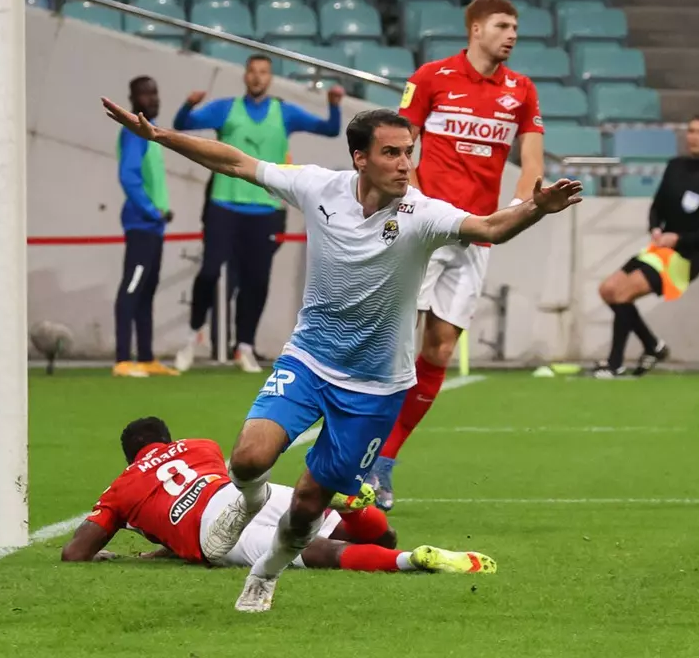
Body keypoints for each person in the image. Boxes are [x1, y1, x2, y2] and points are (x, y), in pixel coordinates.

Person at [100, 96, 580, 612]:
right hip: (309, 360)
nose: (405, 164)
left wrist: (536, 208)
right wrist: (159, 136)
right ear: (360, 158)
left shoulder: (422, 213)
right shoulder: (318, 187)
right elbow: (235, 162)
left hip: (377, 389)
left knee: (309, 505)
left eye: (409, 152)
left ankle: (265, 573)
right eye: (392, 153)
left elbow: (489, 228)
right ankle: (250, 501)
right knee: (247, 459)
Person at [368, 0, 545, 511]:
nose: (512, 34)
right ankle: (353, 450)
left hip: (478, 233)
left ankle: (384, 461)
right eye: (502, 25)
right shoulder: (431, 78)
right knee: (393, 344)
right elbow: (400, 150)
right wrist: (419, 205)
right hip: (425, 228)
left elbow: (532, 161)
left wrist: (517, 209)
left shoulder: (521, 90)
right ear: (475, 28)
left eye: (515, 26)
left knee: (439, 351)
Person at [61, 416, 496, 576]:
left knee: (315, 552)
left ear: (130, 458)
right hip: (245, 493)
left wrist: (104, 548)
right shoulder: (199, 446)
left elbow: (75, 553)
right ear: (168, 439)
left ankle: (411, 561)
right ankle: (352, 509)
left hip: (215, 529)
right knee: (376, 536)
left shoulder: (122, 488)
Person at [172, 55, 344, 374]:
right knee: (209, 272)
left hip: (265, 209)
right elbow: (182, 125)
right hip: (224, 204)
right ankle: (192, 335)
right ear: (245, 76)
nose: (257, 77)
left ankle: (245, 346)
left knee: (256, 281)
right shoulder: (226, 109)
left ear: (271, 77)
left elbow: (331, 129)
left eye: (263, 72)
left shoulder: (285, 112)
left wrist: (333, 105)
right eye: (252, 71)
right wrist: (188, 104)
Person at [594, 115, 699, 378]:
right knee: (608, 289)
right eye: (691, 131)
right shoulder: (675, 166)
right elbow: (657, 206)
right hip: (660, 250)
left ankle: (615, 364)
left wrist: (678, 239)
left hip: (685, 258)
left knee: (622, 293)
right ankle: (653, 346)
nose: (694, 137)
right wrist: (655, 227)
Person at [113, 76, 179, 378]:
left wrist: (161, 213)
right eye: (145, 94)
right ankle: (122, 359)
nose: (152, 99)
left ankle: (146, 357)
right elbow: (128, 177)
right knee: (132, 287)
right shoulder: (134, 131)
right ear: (132, 98)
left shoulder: (149, 132)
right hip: (141, 224)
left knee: (147, 291)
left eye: (155, 93)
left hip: (153, 227)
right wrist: (152, 211)